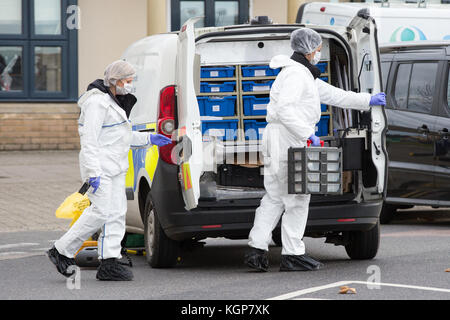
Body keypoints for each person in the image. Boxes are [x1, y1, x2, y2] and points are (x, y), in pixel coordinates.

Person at [245, 28, 386, 272]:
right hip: (287, 139)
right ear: (310, 50)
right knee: (298, 197)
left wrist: (366, 100)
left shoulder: (301, 74)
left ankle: (256, 250)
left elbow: (334, 95)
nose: (319, 52)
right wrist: (307, 133)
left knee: (275, 197)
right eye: (318, 49)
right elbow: (286, 110)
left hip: (280, 138)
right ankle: (293, 253)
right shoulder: (297, 76)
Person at [47, 60, 172, 281]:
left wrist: (149, 138)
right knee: (100, 212)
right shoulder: (96, 103)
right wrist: (92, 172)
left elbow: (121, 136)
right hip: (100, 168)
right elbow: (90, 141)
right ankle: (61, 250)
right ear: (115, 80)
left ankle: (110, 261)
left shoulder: (114, 101)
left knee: (116, 213)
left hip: (115, 166)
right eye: (128, 80)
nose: (130, 85)